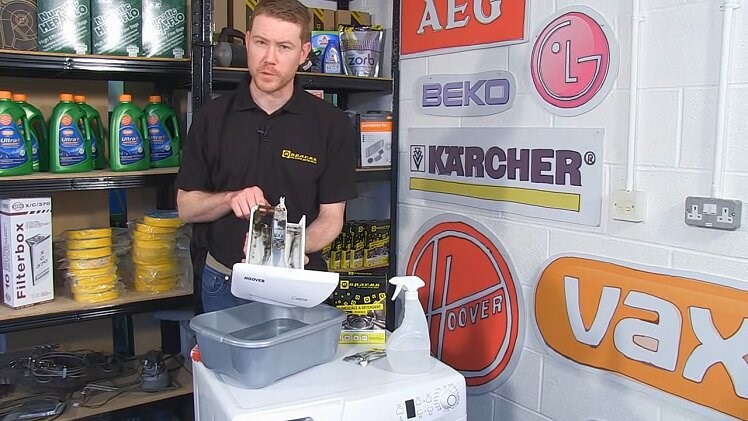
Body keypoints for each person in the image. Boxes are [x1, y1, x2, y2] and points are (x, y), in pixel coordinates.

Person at [175, 0, 358, 313]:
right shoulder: (211, 118)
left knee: (302, 364)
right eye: (261, 43)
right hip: (225, 283)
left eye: (284, 47)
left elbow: (331, 219)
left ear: (302, 54)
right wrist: (229, 198)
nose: (269, 59)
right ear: (247, 42)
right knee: (224, 364)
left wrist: (289, 247)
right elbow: (186, 208)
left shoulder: (332, 125)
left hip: (298, 283)